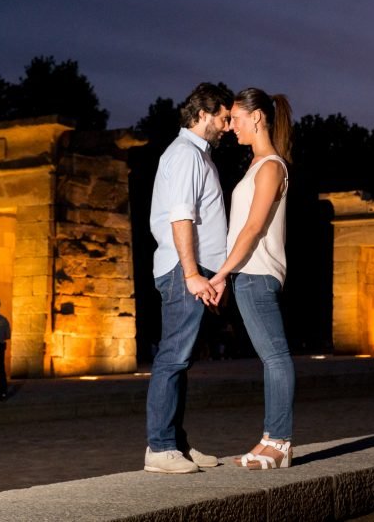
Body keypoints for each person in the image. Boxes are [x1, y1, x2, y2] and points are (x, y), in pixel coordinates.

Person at [144, 82, 232, 474]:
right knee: (173, 356)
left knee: (180, 359)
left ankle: (175, 444)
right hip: (184, 271)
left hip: (192, 271)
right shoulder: (185, 155)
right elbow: (181, 216)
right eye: (224, 117)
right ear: (203, 114)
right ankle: (160, 448)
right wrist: (194, 273)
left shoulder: (198, 155)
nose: (228, 126)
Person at [209, 87, 295, 470]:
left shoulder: (272, 165)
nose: (230, 127)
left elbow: (254, 227)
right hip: (248, 273)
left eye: (236, 119)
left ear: (257, 117)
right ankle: (268, 438)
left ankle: (280, 442)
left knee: (276, 358)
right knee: (269, 358)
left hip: (257, 273)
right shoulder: (257, 164)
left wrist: (221, 275)